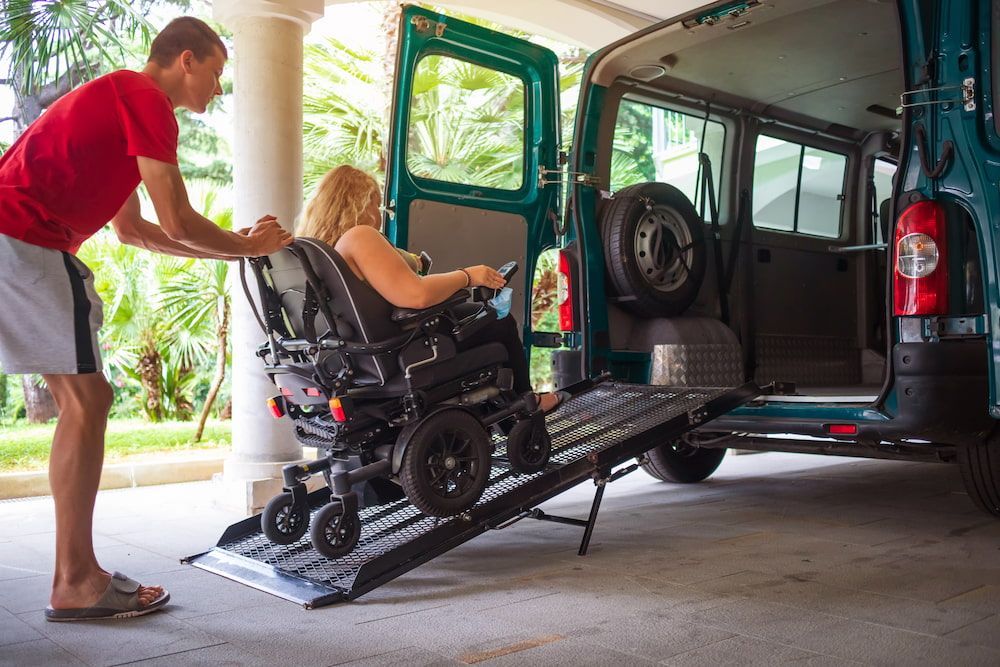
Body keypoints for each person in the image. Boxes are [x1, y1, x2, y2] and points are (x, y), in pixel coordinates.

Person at [0, 17, 292, 621]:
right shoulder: (145, 100)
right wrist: (251, 249)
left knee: (84, 400)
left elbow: (137, 232)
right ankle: (76, 581)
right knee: (89, 401)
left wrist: (232, 244)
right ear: (186, 60)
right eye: (215, 73)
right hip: (24, 237)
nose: (217, 89)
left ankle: (73, 577)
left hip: (17, 237)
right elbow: (181, 223)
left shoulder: (120, 104)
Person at [296, 165, 565, 411]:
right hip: (399, 349)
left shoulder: (312, 250)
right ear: (361, 204)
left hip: (352, 359)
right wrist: (468, 276)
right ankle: (526, 403)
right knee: (496, 321)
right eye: (376, 205)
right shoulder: (359, 237)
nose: (378, 217)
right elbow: (417, 295)